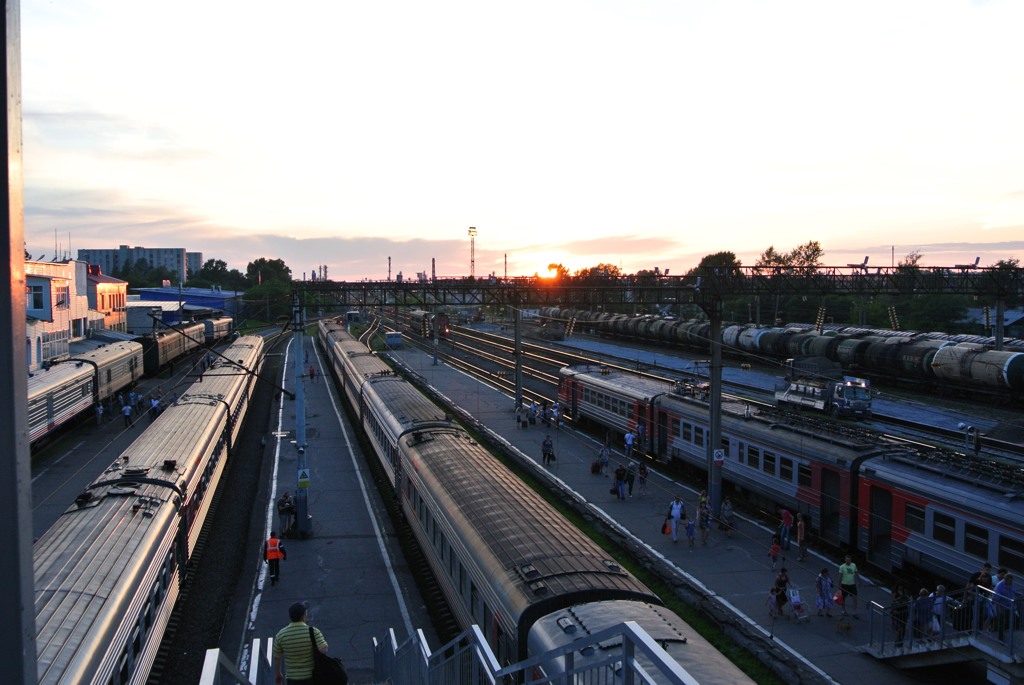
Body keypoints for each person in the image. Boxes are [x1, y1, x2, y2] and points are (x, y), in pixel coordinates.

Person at [274, 601, 328, 684]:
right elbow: (324, 650)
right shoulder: (313, 632)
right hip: (312, 677)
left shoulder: (281, 635)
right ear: (303, 616)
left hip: (292, 679)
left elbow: (277, 657)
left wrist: (278, 673)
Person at [994, 573, 1015, 641]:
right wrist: (999, 608)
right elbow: (996, 598)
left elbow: (1012, 594)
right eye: (1010, 581)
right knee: (1001, 622)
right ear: (1006, 580)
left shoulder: (1011, 585)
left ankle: (1007, 636)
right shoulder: (1000, 585)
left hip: (1009, 606)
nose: (1011, 582)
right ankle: (1000, 638)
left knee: (1008, 621)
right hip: (1001, 606)